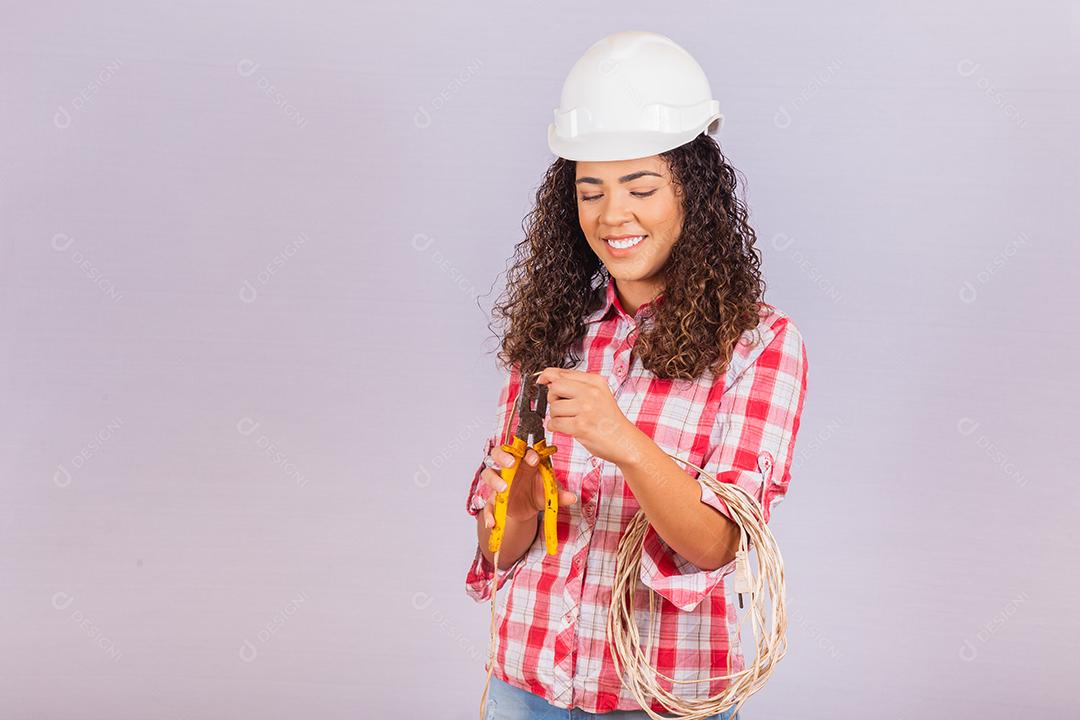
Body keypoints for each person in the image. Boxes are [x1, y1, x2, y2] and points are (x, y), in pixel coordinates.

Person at [464, 31, 809, 720]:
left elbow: (716, 545)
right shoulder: (553, 330)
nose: (612, 214)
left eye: (640, 187)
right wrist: (522, 505)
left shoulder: (760, 345)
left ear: (693, 193)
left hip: (659, 701)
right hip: (525, 692)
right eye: (590, 192)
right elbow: (502, 552)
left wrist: (623, 442)